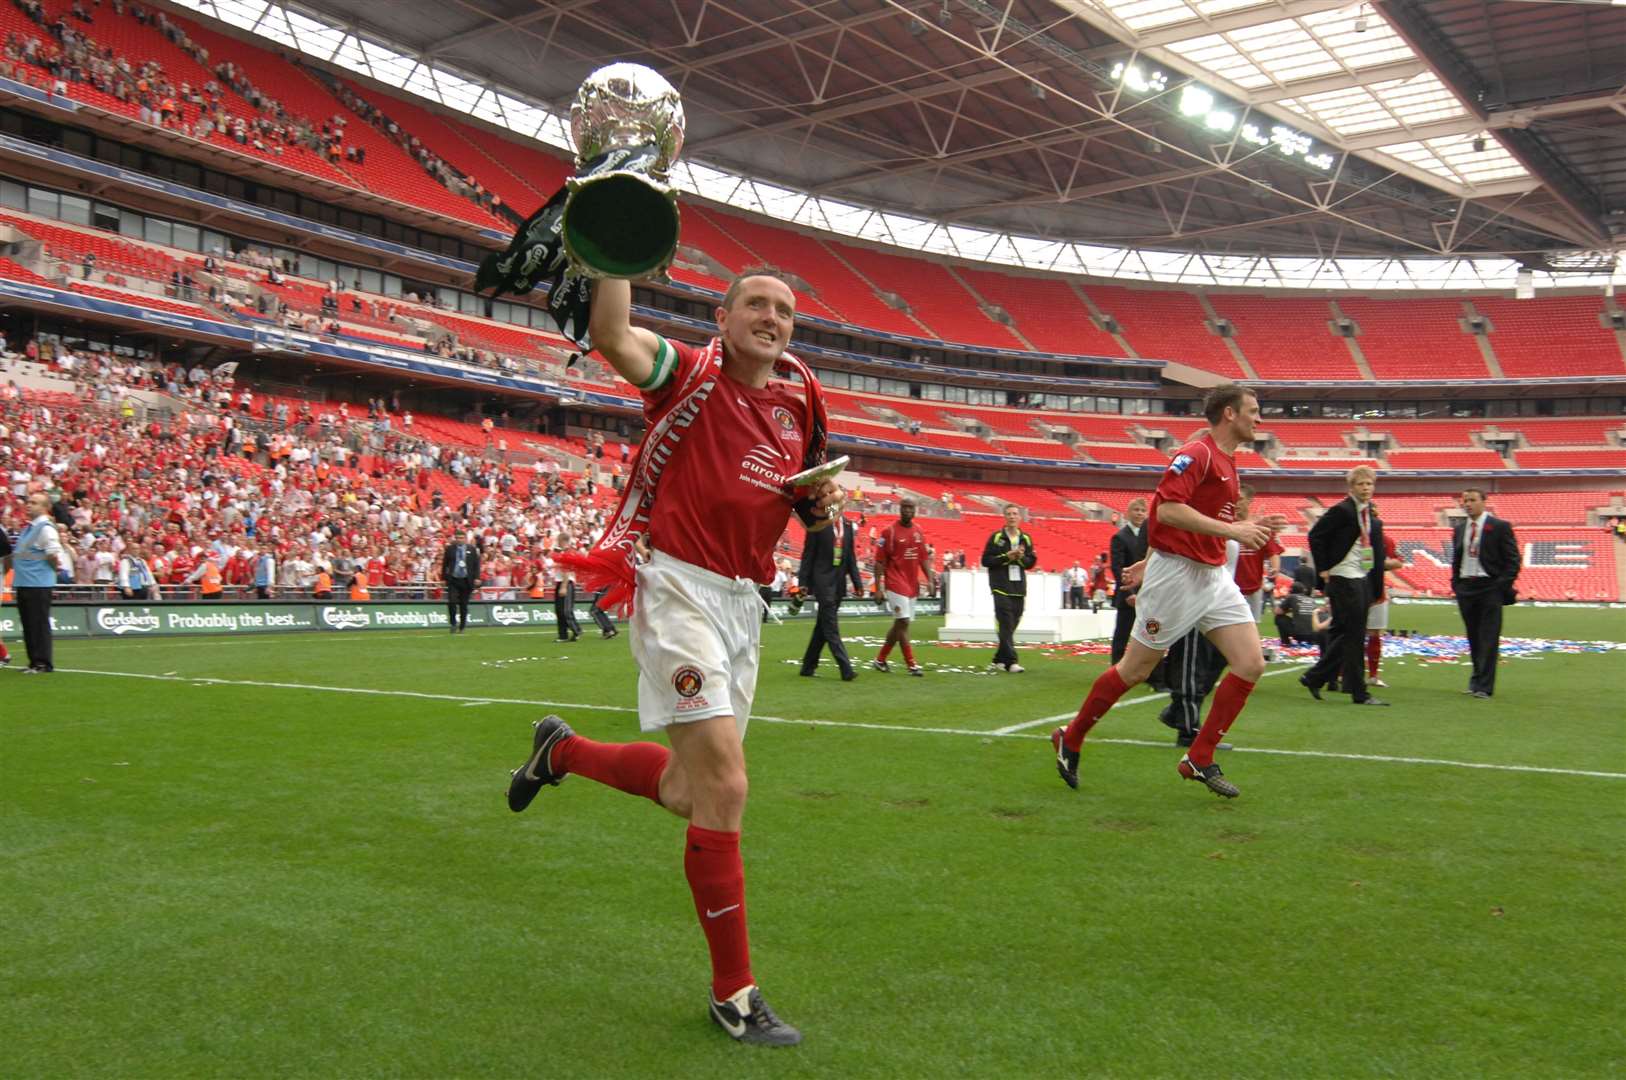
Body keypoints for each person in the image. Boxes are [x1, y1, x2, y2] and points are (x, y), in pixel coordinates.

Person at [505, 269, 840, 1047]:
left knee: (691, 793)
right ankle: (735, 993)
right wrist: (616, 247)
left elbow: (803, 513)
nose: (772, 317)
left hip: (743, 606)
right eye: (756, 304)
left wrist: (818, 509)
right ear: (721, 318)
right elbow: (613, 336)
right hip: (676, 589)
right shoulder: (690, 373)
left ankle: (563, 752)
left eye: (786, 309)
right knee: (727, 784)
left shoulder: (798, 404)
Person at [1051, 385, 1287, 798]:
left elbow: (1191, 518)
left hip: (1211, 577)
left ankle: (1199, 756)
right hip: (1177, 579)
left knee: (1250, 663)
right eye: (1253, 411)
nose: (1259, 419)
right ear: (1229, 414)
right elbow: (1168, 509)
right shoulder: (1197, 454)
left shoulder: (1227, 462)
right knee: (1136, 670)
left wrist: (1252, 528)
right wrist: (1226, 534)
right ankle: (1071, 737)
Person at [1301, 466, 1389, 707]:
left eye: (1369, 484)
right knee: (1354, 635)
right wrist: (1323, 568)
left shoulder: (1367, 515)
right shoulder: (1342, 510)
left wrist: (1375, 585)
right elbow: (1316, 535)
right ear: (1351, 487)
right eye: (1361, 484)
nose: (1365, 488)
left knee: (1344, 633)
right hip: (1343, 577)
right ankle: (1359, 692)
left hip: (1360, 577)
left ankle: (1314, 677)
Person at [1451, 488, 1521, 699]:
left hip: (1489, 587)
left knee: (1488, 638)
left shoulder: (1499, 527)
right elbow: (1457, 559)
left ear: (1484, 502)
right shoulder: (1460, 528)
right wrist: (1456, 584)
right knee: (1473, 637)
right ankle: (1475, 681)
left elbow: (1513, 561)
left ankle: (1484, 686)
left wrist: (1499, 586)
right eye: (1465, 500)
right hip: (1466, 588)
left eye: (1472, 500)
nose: (1468, 504)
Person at [8, 492, 70, 673]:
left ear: (44, 508)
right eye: (28, 501)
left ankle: (42, 662)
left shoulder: (45, 528)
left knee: (38, 624)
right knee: (28, 624)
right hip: (25, 582)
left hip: (38, 584)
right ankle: (34, 661)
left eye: (34, 503)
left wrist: (53, 568)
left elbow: (52, 553)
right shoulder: (29, 528)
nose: (28, 505)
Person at [798, 510, 862, 680]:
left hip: (839, 583)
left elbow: (851, 558)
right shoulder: (817, 524)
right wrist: (803, 582)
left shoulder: (848, 526)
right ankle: (845, 668)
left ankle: (808, 666)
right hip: (822, 581)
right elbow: (808, 554)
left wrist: (857, 583)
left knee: (822, 626)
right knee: (831, 627)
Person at [870, 497, 927, 676]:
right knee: (903, 622)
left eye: (911, 508)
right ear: (899, 510)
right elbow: (879, 561)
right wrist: (878, 588)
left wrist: (931, 579)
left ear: (915, 510)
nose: (908, 511)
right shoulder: (888, 532)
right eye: (905, 508)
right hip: (894, 582)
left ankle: (880, 660)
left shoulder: (919, 531)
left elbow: (923, 557)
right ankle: (911, 664)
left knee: (900, 625)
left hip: (911, 584)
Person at [982, 505, 1036, 673]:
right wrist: (1007, 557)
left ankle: (999, 659)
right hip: (1000, 585)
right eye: (1008, 514)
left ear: (1020, 517)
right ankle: (1012, 662)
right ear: (1004, 517)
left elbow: (1031, 561)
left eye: (1014, 514)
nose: (1012, 517)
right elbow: (986, 560)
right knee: (1005, 621)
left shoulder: (1025, 538)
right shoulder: (997, 537)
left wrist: (1020, 558)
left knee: (1014, 621)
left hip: (1018, 586)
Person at [1108, 498, 1149, 664]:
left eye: (1142, 510)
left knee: (1151, 632)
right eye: (1136, 510)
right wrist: (1130, 592)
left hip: (1147, 594)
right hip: (1128, 596)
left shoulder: (1149, 537)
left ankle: (1153, 673)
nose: (1139, 513)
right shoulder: (1120, 537)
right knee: (1123, 633)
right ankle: (1116, 668)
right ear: (1128, 513)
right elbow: (1118, 569)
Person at [1364, 524, 1402, 687]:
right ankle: (1343, 673)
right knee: (1350, 633)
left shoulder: (1385, 540)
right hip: (1354, 591)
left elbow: (1398, 562)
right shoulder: (1351, 537)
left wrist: (1381, 563)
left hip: (1376, 592)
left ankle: (1373, 676)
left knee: (1374, 633)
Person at [441, 532, 479, 633]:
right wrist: (443, 578)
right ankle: (453, 623)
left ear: (465, 539)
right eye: (457, 538)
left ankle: (462, 626)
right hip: (454, 579)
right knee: (452, 602)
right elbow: (445, 564)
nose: (459, 540)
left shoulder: (471, 549)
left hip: (466, 580)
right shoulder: (450, 549)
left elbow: (476, 564)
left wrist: (477, 577)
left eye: (461, 538)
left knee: (463, 605)